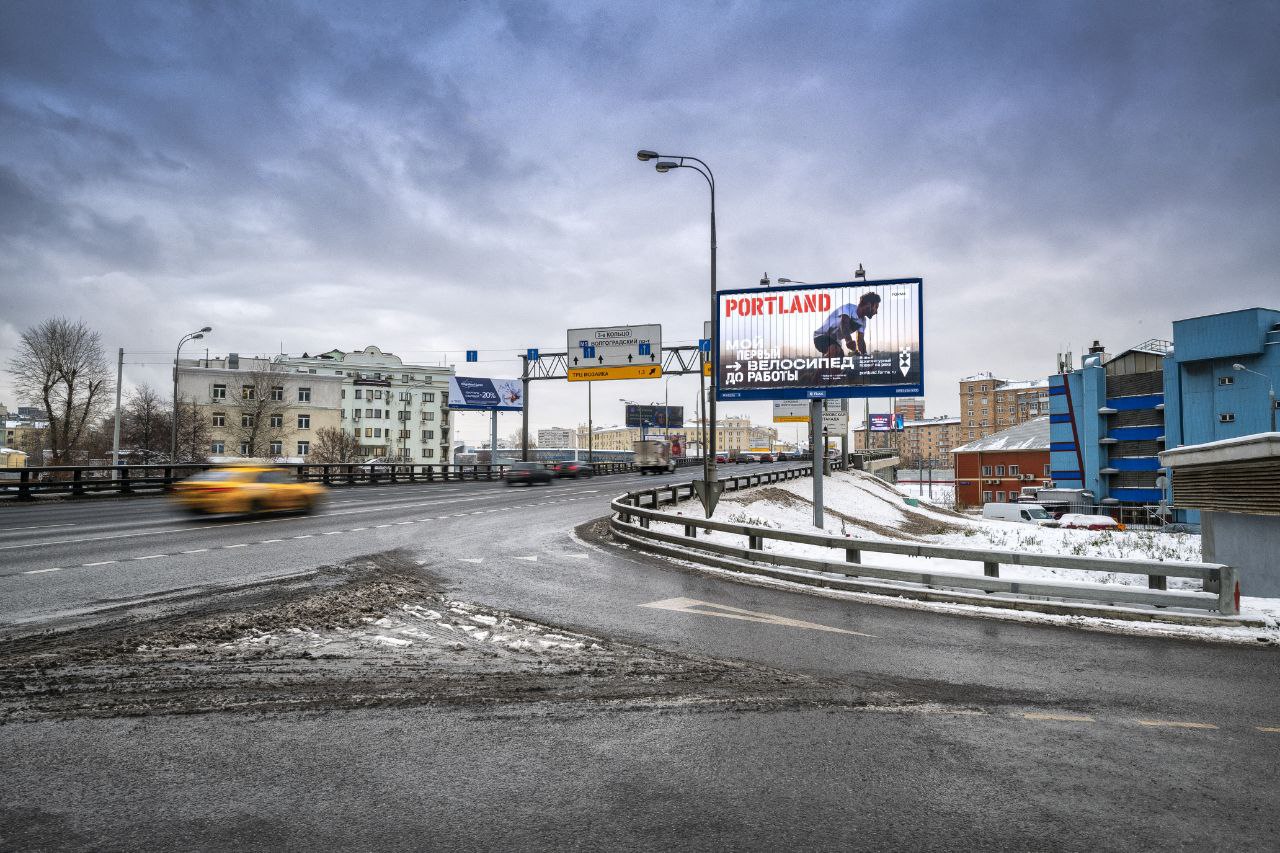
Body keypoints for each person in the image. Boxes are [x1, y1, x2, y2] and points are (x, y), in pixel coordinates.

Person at [813, 292, 880, 358]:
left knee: (837, 366)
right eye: (876, 307)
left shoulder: (863, 321)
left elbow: (860, 340)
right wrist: (849, 341)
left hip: (835, 341)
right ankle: (823, 365)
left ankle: (823, 367)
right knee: (834, 350)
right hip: (821, 336)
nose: (876, 312)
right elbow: (844, 323)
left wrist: (865, 356)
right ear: (868, 305)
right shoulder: (848, 308)